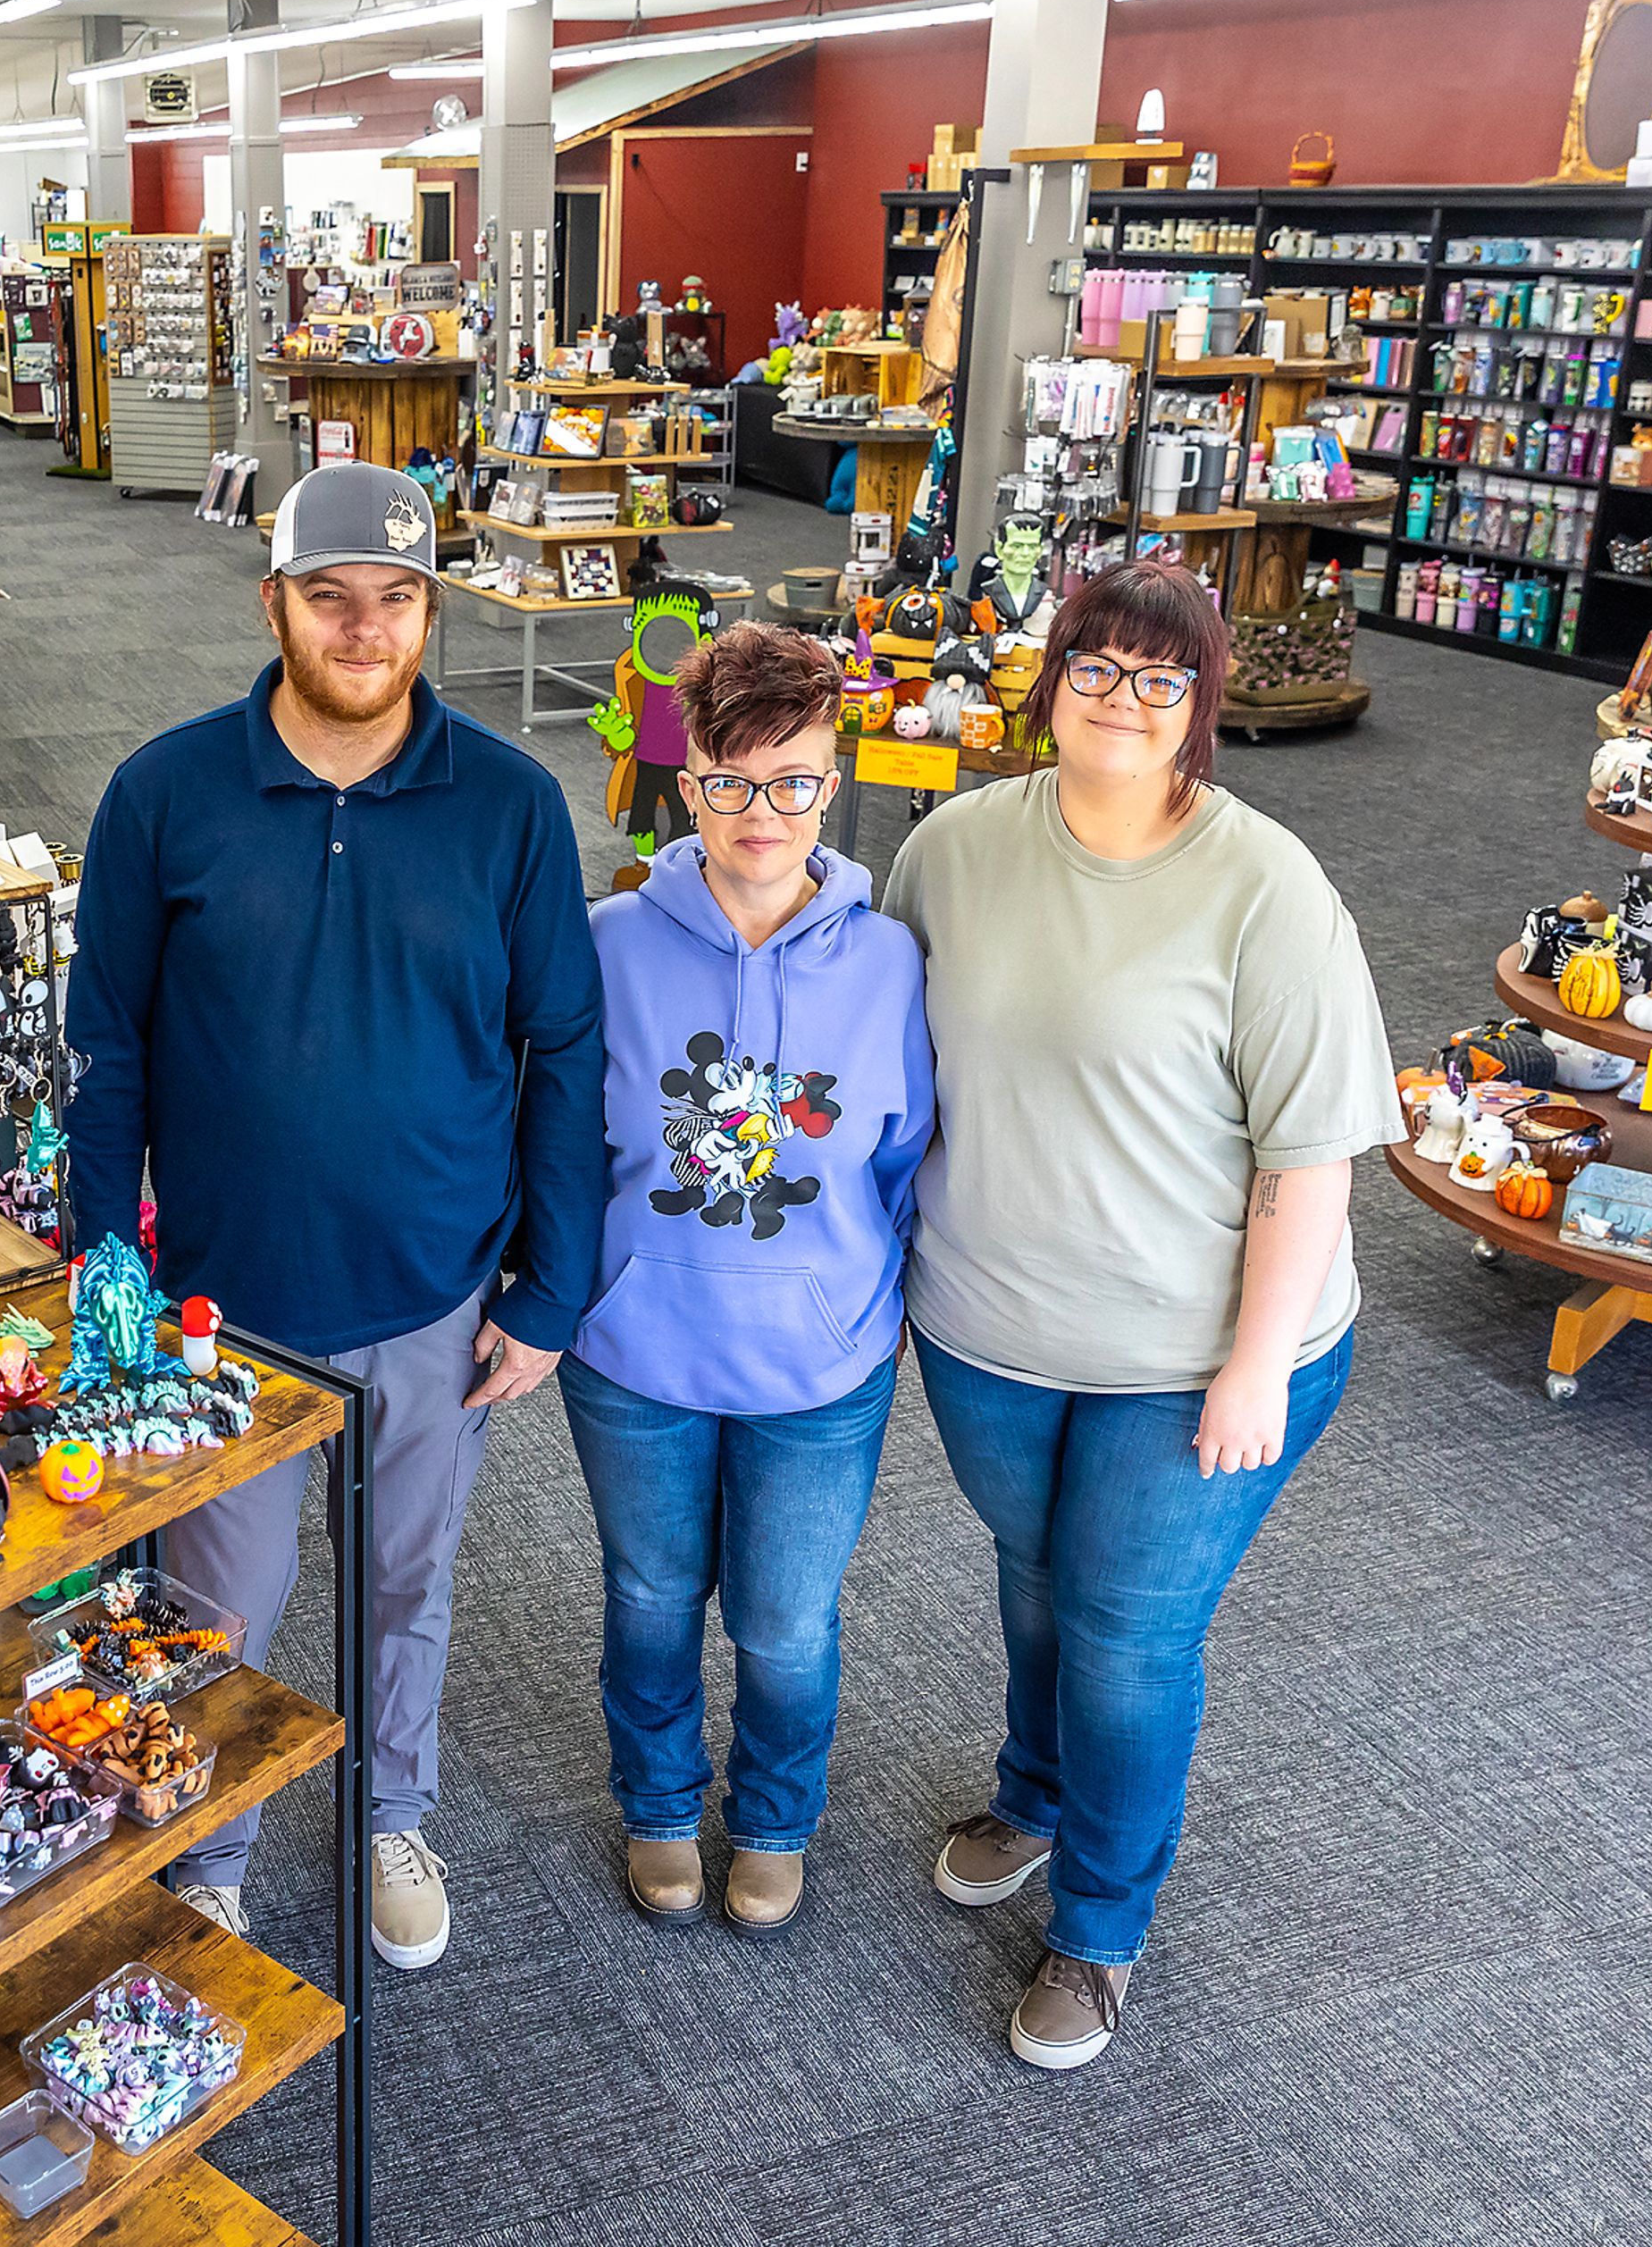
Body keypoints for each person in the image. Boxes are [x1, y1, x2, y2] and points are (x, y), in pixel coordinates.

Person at [64, 459, 607, 1969]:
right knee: (211, 1605)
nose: (364, 629)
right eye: (331, 597)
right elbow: (102, 1056)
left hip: (436, 1298)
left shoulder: (510, 806)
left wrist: (551, 1291)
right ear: (275, 604)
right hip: (217, 1312)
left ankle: (389, 1811)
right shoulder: (163, 795)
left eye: (396, 598)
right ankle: (206, 1837)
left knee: (407, 1586)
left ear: (430, 609)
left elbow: (565, 1052)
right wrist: (110, 1286)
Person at [882, 559, 1403, 2070]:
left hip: (1199, 1358)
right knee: (1039, 1575)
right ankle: (1036, 1794)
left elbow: (1311, 1162)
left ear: (1202, 705)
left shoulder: (1268, 888)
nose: (1120, 698)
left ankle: (1101, 1927)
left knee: (1123, 1629)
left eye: (1157, 677)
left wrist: (1253, 1366)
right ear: (1049, 683)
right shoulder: (959, 845)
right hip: (989, 1329)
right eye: (1093, 668)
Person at [560, 622, 933, 1937]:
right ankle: (660, 1801)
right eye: (729, 782)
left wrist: (848, 1298)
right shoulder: (607, 942)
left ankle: (775, 1815)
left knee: (785, 1619)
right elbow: (568, 1140)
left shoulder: (889, 963)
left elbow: (899, 1156)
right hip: (635, 1350)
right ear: (686, 782)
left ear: (834, 784)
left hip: (817, 1362)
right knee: (651, 1595)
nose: (760, 814)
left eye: (793, 782)